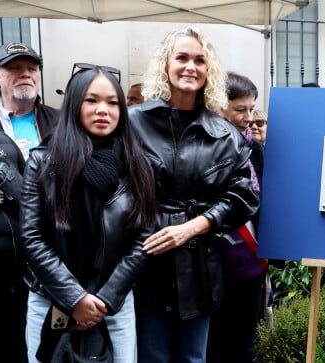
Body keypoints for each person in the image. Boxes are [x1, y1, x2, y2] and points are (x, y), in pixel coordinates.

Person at [128, 26, 260, 363]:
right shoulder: (132, 124)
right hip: (146, 261)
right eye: (182, 57)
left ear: (209, 70)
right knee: (151, 356)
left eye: (200, 60)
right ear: (166, 65)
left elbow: (243, 196)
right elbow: (115, 190)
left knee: (193, 357)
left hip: (201, 266)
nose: (191, 66)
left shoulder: (225, 133)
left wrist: (194, 225)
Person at [20, 63, 157, 363]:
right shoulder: (43, 163)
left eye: (112, 102)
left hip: (114, 304)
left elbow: (142, 239)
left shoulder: (137, 165)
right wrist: (75, 298)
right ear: (73, 105)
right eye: (91, 100)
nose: (103, 110)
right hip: (50, 300)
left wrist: (104, 299)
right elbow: (32, 238)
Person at [0, 41, 59, 362]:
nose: (25, 74)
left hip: (50, 254)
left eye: (32, 69)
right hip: (3, 260)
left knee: (47, 345)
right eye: (14, 68)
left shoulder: (61, 123)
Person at [207, 72, 266, 363]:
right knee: (213, 345)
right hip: (214, 262)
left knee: (244, 346)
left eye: (252, 109)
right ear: (219, 108)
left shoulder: (255, 149)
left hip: (250, 262)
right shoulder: (204, 147)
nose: (249, 117)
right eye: (240, 110)